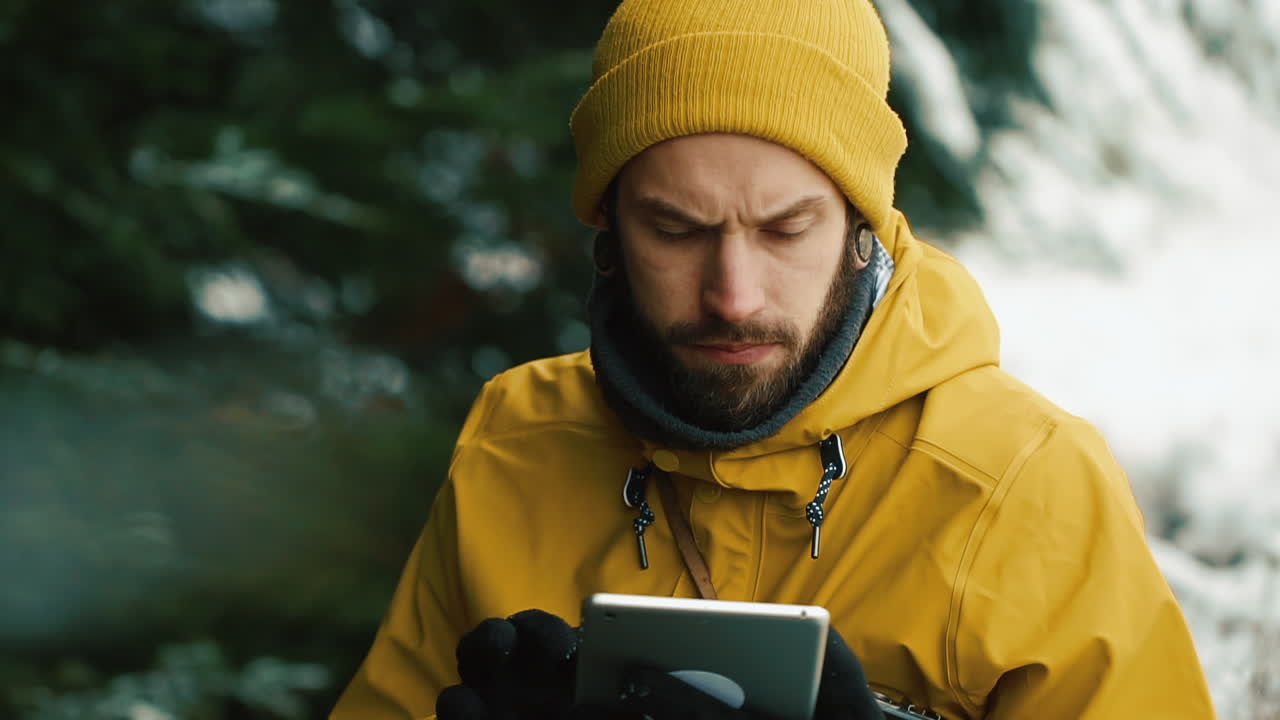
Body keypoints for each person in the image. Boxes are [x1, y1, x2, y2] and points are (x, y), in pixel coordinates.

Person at [330, 0, 1217, 718]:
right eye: (675, 230)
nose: (734, 295)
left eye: (787, 228)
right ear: (608, 231)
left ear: (863, 229)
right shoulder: (516, 442)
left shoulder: (1025, 484)